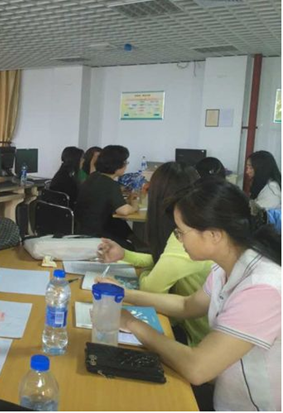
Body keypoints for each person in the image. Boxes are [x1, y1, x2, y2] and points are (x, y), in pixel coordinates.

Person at [98, 179, 281, 411]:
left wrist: (132, 324)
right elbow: (187, 305)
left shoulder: (262, 288)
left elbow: (197, 368)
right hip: (225, 397)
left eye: (181, 232)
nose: (178, 239)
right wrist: (126, 294)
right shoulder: (225, 268)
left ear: (214, 235)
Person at [97, 162, 212, 346]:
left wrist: (145, 273)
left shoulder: (187, 237)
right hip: (187, 327)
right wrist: (124, 255)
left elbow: (150, 289)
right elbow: (163, 261)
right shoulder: (194, 230)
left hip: (196, 340)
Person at [74, 145, 138, 249]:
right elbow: (124, 211)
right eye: (125, 162)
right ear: (117, 164)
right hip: (97, 235)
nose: (126, 165)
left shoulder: (93, 176)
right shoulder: (110, 184)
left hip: (82, 230)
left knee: (122, 227)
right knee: (130, 246)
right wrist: (135, 205)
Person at [49, 146, 84, 211]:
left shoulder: (62, 173)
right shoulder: (68, 179)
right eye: (82, 158)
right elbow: (78, 198)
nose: (83, 161)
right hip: (67, 211)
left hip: (57, 211)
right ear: (76, 160)